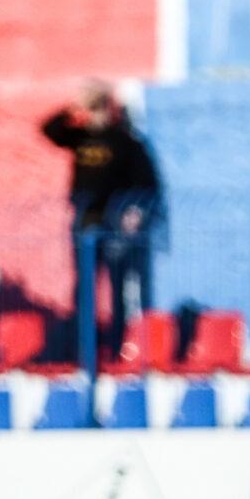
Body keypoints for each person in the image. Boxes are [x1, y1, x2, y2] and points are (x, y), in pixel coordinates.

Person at [40, 79, 163, 352]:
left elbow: (146, 182)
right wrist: (75, 107)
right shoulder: (80, 136)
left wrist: (134, 211)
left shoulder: (125, 140)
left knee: (118, 286)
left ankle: (118, 345)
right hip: (85, 219)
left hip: (114, 221)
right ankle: (84, 347)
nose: (94, 113)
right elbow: (49, 129)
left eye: (97, 106)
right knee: (85, 287)